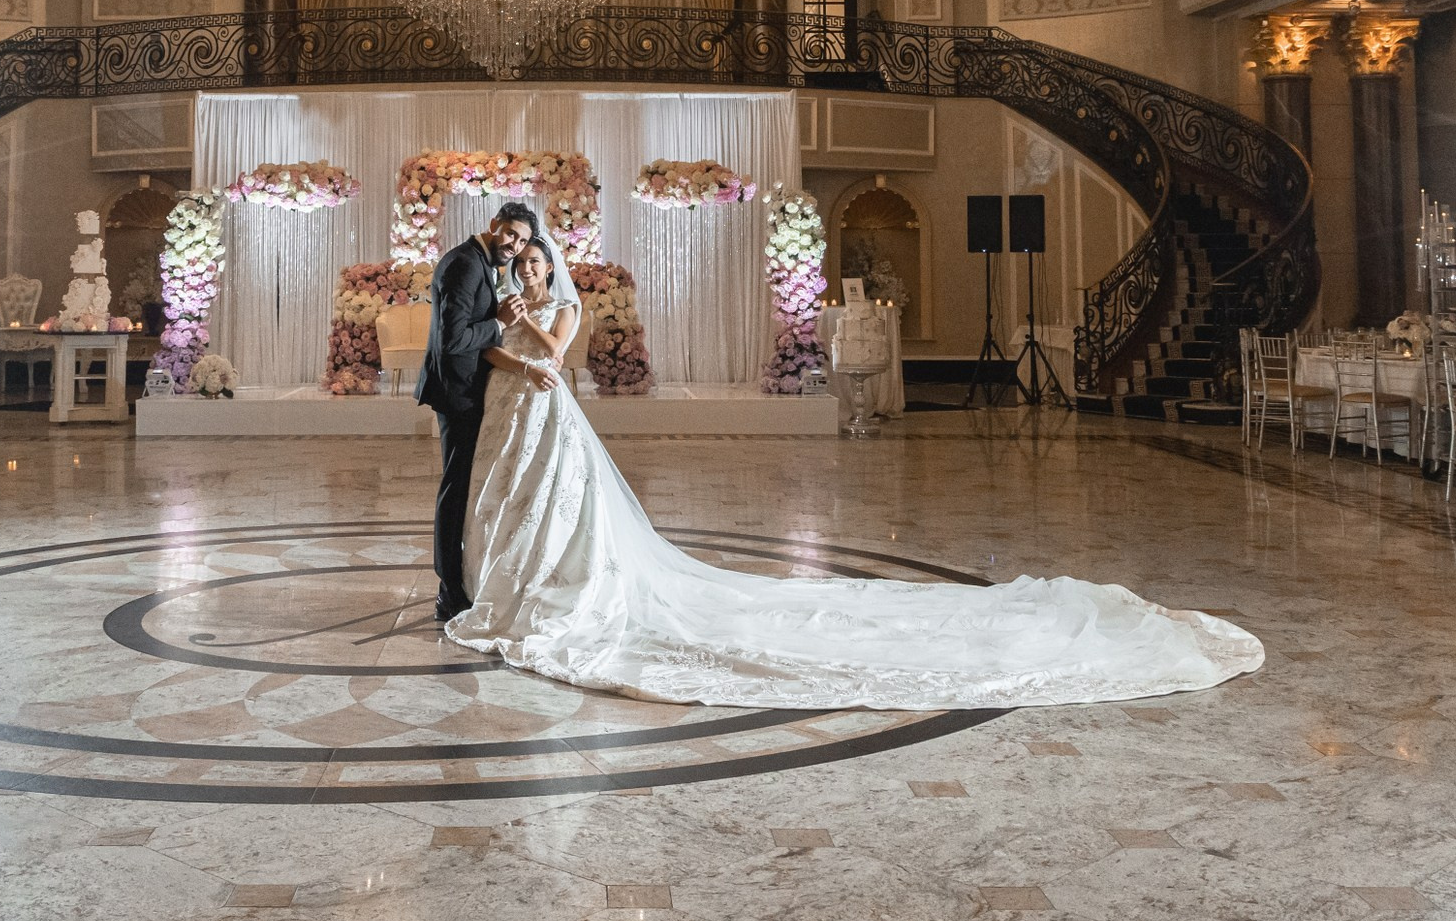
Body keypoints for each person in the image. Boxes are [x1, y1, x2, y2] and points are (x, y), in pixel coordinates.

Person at [443, 234, 1265, 709]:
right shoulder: (508, 296)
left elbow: (553, 351)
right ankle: (517, 585)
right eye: (522, 267)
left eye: (536, 264)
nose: (528, 272)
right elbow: (498, 352)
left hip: (553, 409)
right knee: (524, 506)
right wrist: (500, 343)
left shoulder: (558, 302)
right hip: (520, 415)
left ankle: (553, 591)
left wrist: (527, 325)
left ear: (550, 266)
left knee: (567, 509)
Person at [417, 201, 539, 622]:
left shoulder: (482, 262)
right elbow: (452, 340)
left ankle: (460, 579)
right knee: (455, 491)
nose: (514, 245)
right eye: (510, 234)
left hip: (469, 389)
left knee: (465, 487)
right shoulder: (465, 264)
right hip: (457, 393)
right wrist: (500, 324)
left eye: (522, 240)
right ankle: (449, 590)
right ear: (494, 225)